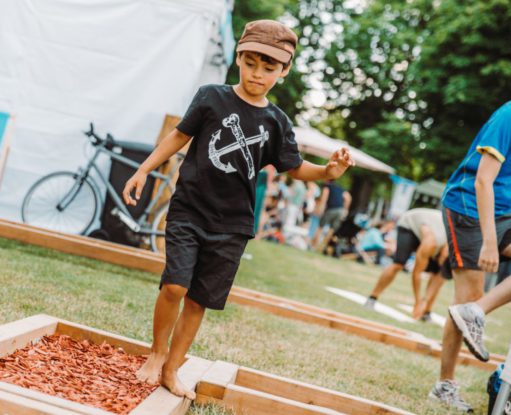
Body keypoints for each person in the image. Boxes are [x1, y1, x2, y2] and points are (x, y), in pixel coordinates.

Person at [121, 20, 355, 399]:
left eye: (268, 68)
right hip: (189, 209)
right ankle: (157, 352)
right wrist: (143, 170)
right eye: (250, 63)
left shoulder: (277, 122)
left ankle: (172, 367)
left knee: (199, 299)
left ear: (284, 71)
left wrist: (329, 171)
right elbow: (180, 135)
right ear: (238, 58)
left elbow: (293, 167)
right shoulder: (211, 96)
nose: (256, 75)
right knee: (175, 285)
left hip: (233, 225)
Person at [430, 98, 511, 412]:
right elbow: (483, 180)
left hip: (502, 211)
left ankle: (477, 311)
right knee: (466, 296)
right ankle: (444, 385)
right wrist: (488, 242)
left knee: (470, 307)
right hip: (467, 206)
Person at [364, 208, 452, 321]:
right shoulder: (431, 243)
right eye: (442, 260)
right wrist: (417, 301)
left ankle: (426, 312)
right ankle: (372, 298)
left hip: (431, 227)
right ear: (443, 254)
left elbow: (440, 277)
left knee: (439, 273)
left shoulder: (455, 246)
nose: (441, 264)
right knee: (399, 264)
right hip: (410, 223)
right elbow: (417, 273)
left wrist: (424, 302)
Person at [312, 179, 351, 250]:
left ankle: (313, 246)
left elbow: (324, 198)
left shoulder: (327, 186)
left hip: (331, 209)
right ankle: (322, 247)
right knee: (331, 230)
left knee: (320, 227)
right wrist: (346, 209)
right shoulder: (339, 188)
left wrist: (320, 209)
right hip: (340, 210)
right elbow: (348, 197)